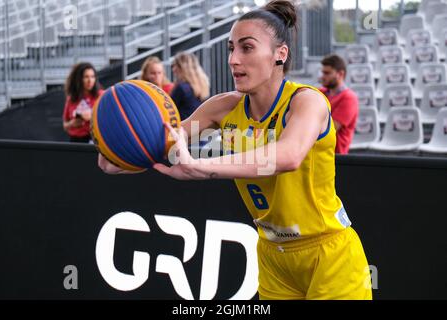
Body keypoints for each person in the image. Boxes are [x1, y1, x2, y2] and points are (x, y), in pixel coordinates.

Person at [98, 0, 372, 300]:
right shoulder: (222, 107)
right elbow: (161, 142)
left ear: (280, 54)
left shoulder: (307, 102)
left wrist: (204, 168)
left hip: (327, 252)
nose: (233, 59)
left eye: (247, 48)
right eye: (231, 48)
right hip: (272, 255)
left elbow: (289, 156)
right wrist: (115, 152)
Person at [319, 54, 359, 154]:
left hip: (335, 157)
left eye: (327, 73)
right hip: (319, 154)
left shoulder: (349, 98)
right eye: (323, 73)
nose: (323, 77)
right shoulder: (320, 93)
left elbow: (329, 129)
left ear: (340, 74)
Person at [63, 62, 104, 143]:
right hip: (75, 140)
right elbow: (65, 125)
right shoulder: (71, 98)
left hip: (96, 140)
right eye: (86, 77)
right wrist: (72, 124)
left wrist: (92, 116)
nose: (90, 80)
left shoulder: (102, 95)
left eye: (92, 77)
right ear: (79, 79)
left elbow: (110, 117)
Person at [170, 52, 210, 120]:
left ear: (181, 67)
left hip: (184, 126)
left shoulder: (181, 88)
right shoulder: (203, 85)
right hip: (197, 125)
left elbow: (169, 108)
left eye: (174, 65)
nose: (173, 69)